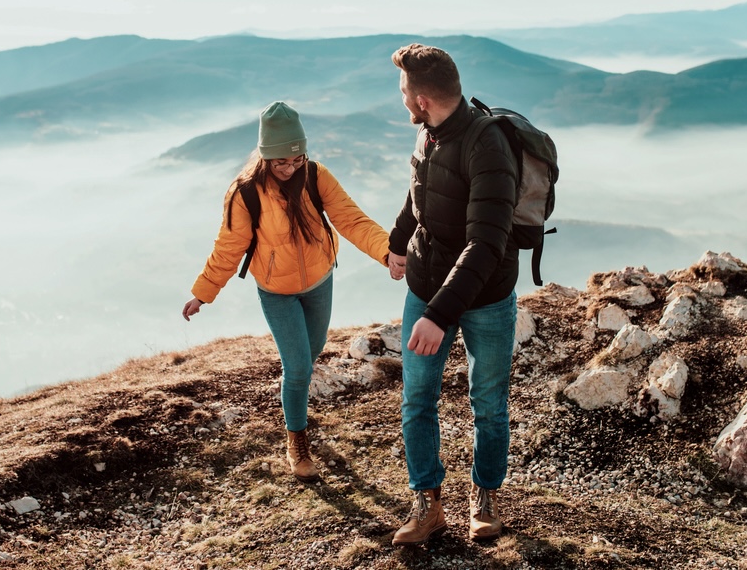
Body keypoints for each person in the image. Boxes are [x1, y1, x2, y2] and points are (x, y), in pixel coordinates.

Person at [183, 101, 399, 482]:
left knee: (310, 355)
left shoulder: (316, 176)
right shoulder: (245, 193)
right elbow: (229, 246)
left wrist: (387, 251)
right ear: (265, 157)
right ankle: (297, 440)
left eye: (296, 159)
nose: (289, 168)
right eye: (281, 162)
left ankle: (294, 399)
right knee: (298, 367)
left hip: (320, 281)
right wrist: (204, 292)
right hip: (276, 291)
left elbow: (351, 219)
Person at [385, 43, 519, 545]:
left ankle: (484, 496)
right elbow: (419, 193)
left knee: (488, 402)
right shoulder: (429, 133)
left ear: (421, 99)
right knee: (417, 399)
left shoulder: (488, 146)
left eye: (403, 92)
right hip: (426, 284)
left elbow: (487, 244)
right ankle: (428, 503)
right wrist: (398, 245)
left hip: (484, 296)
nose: (401, 101)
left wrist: (438, 315)